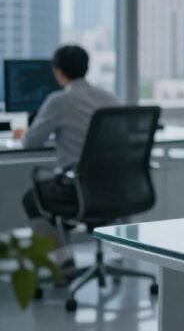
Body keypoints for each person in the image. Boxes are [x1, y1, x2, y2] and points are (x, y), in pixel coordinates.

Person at [15, 45, 118, 273]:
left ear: (58, 72)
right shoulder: (109, 98)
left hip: (79, 190)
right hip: (114, 189)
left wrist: (26, 133)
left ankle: (62, 262)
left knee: (33, 199)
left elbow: (31, 143)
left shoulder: (58, 101)